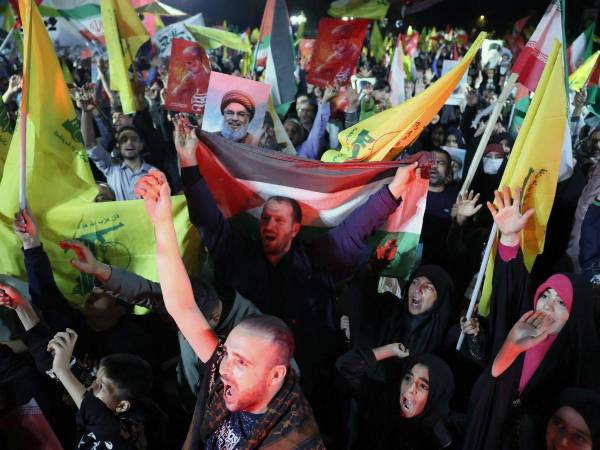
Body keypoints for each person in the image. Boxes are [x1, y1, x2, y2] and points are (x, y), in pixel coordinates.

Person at [134, 170, 325, 449]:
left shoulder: (289, 437)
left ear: (275, 376)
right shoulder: (226, 372)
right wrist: (161, 221)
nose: (223, 368)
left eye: (241, 363)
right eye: (226, 353)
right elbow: (182, 307)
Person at [462, 186, 599, 450]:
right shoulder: (520, 326)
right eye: (545, 295)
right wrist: (509, 237)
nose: (548, 305)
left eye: (561, 302)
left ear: (575, 315)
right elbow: (511, 289)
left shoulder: (582, 364)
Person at [46, 328, 164, 450]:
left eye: (101, 386)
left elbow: (98, 417)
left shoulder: (132, 433)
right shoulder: (100, 398)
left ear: (122, 406)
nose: (91, 387)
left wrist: (62, 370)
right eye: (95, 378)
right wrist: (62, 354)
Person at [336, 349, 460, 449]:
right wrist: (390, 350)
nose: (410, 388)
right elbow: (345, 367)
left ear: (436, 395)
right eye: (408, 378)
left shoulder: (440, 437)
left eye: (423, 386)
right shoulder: (383, 399)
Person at [79, 88, 157, 201]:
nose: (129, 142)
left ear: (141, 145)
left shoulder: (155, 174)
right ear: (118, 146)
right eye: (124, 140)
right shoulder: (110, 167)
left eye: (134, 139)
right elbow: (90, 144)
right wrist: (85, 112)